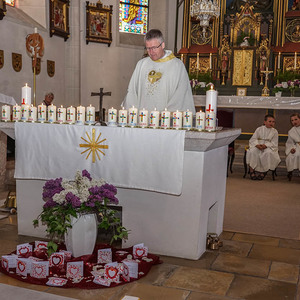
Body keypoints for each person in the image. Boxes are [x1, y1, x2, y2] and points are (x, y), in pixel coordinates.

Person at [122, 29, 195, 113]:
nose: (151, 52)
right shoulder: (141, 64)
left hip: (165, 120)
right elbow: (132, 91)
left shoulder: (177, 66)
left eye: (154, 48)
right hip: (142, 118)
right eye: (148, 48)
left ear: (162, 45)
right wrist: (131, 112)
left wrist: (167, 114)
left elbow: (181, 94)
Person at [246, 114, 281, 180]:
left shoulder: (275, 131)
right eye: (270, 121)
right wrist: (257, 145)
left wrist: (266, 145)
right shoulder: (259, 129)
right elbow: (253, 139)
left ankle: (264, 172)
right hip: (258, 146)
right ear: (265, 122)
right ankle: (251, 170)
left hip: (268, 147)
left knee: (268, 153)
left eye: (273, 122)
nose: (271, 123)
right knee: (252, 151)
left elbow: (274, 142)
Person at [285, 113, 300, 180]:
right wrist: (291, 148)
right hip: (297, 146)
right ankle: (290, 172)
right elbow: (289, 143)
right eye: (292, 120)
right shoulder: (291, 131)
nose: (294, 122)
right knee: (292, 156)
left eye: (296, 119)